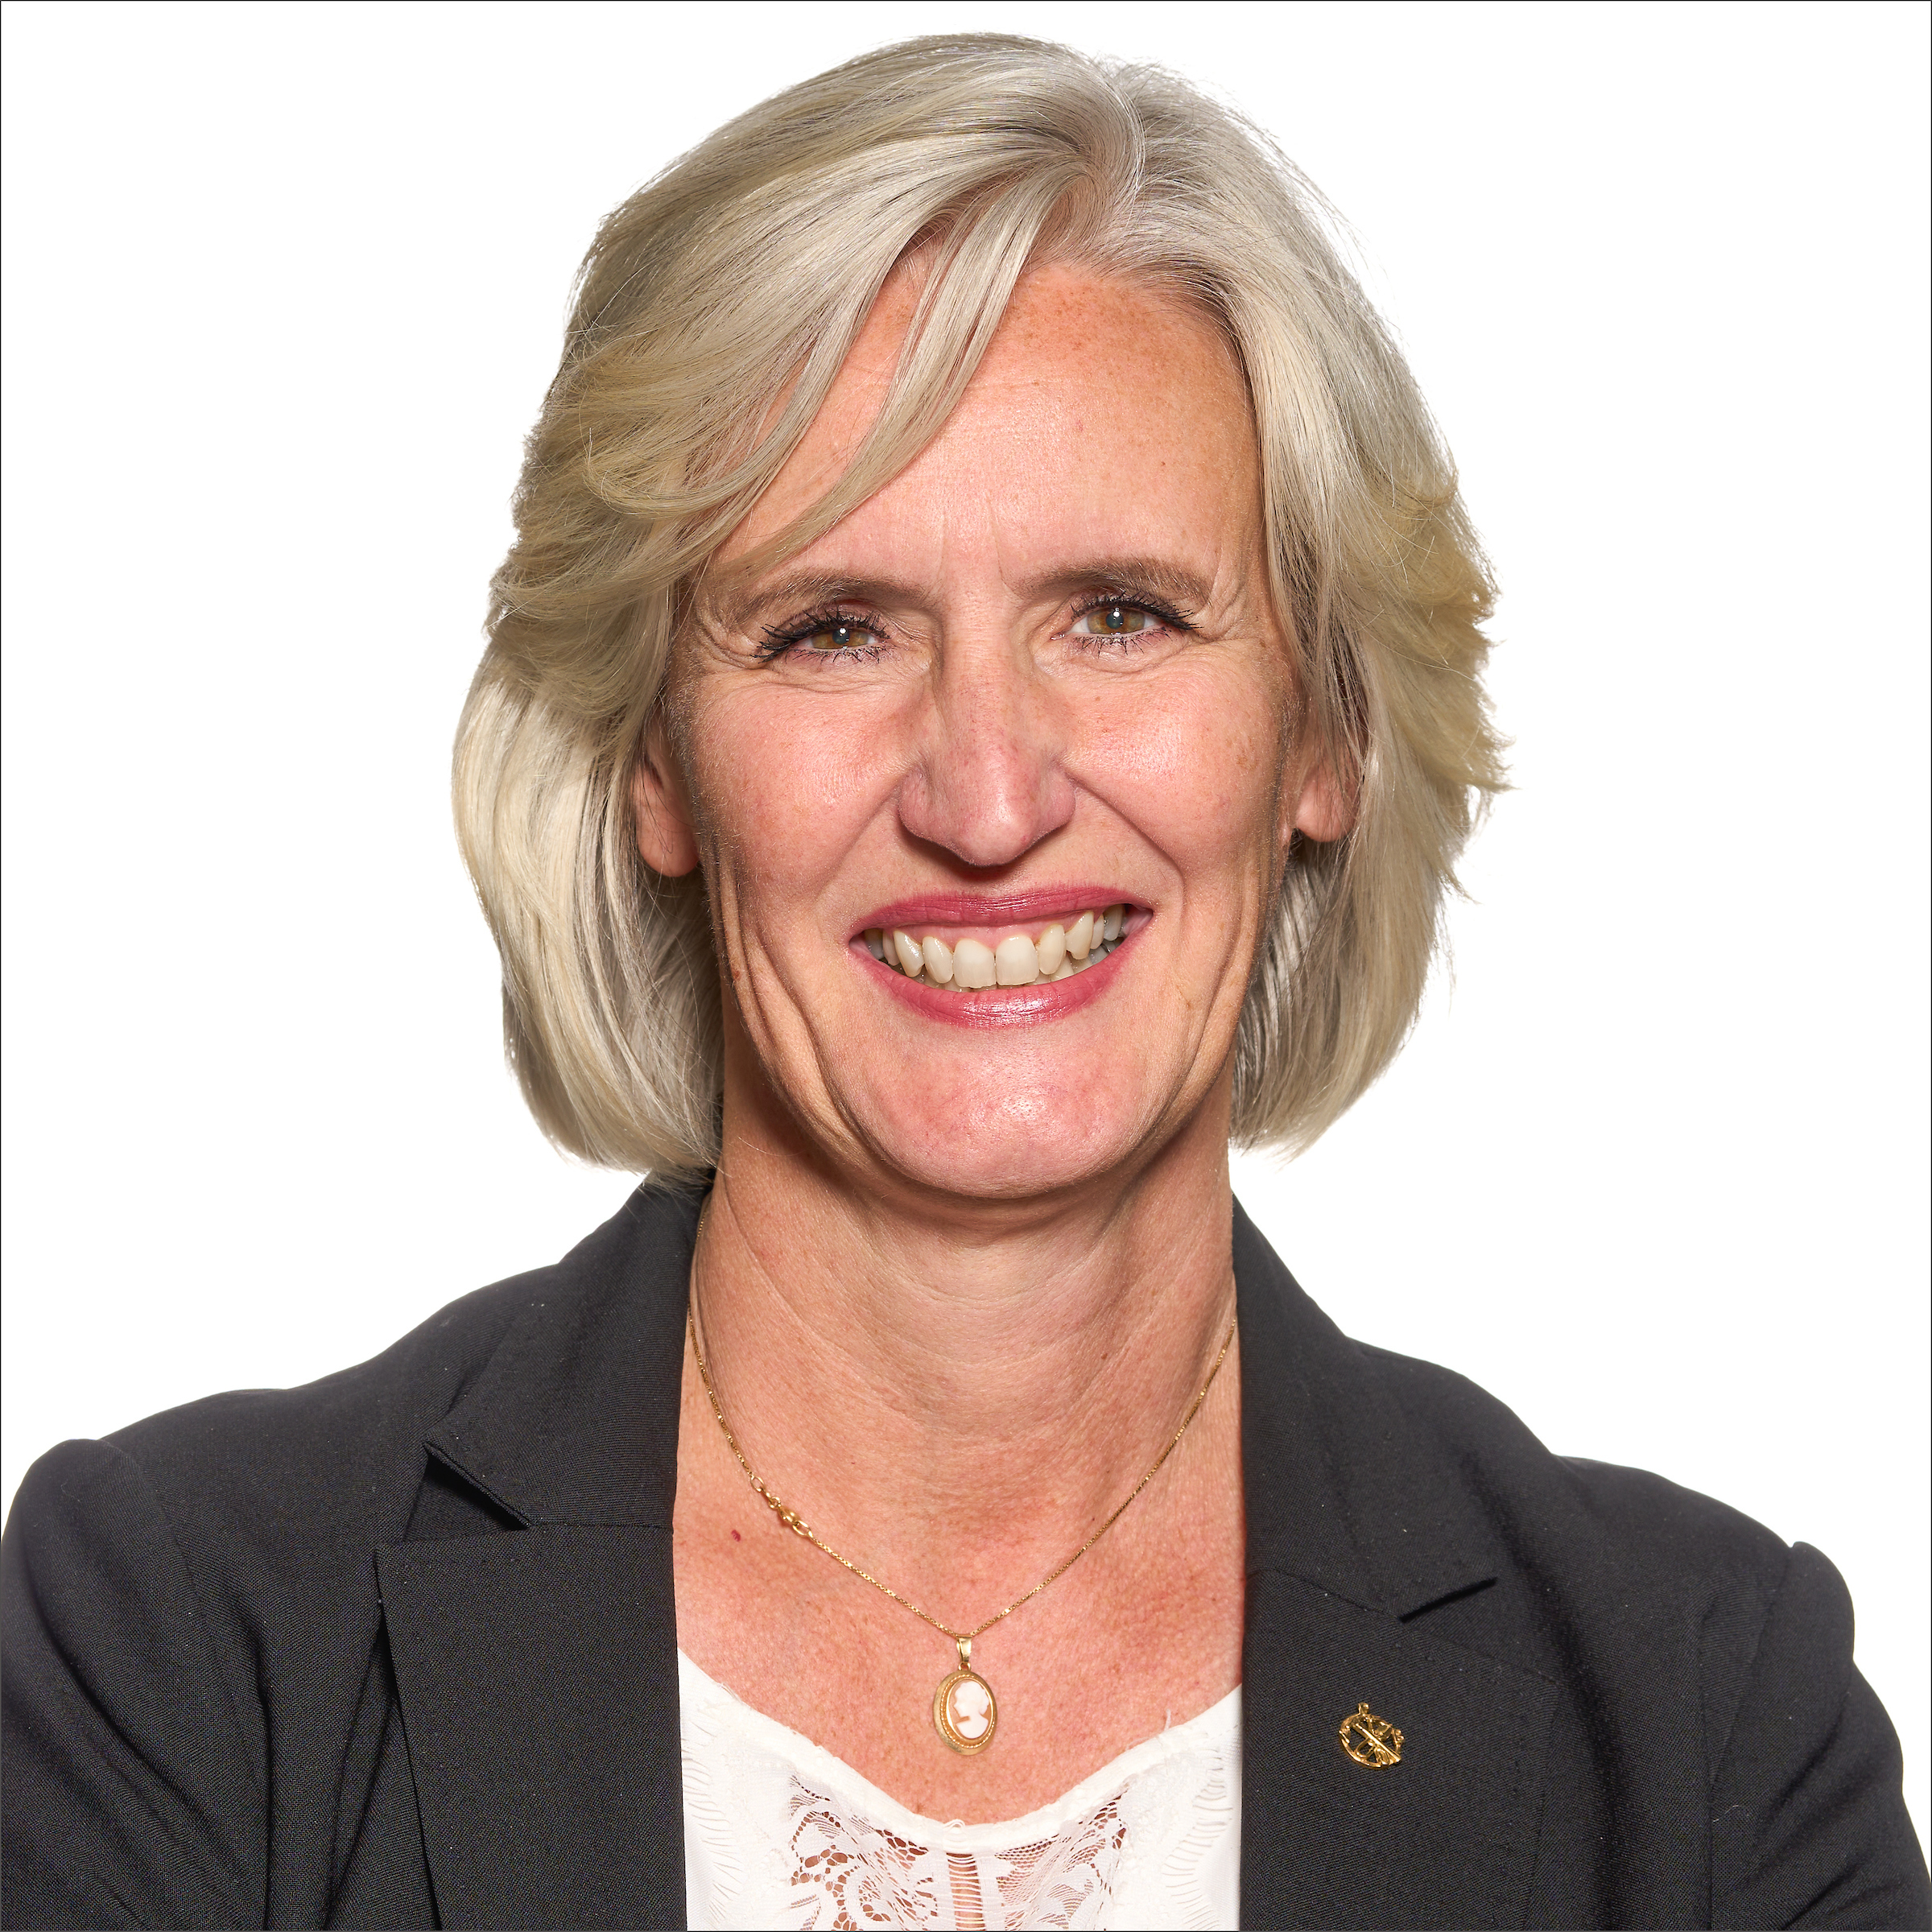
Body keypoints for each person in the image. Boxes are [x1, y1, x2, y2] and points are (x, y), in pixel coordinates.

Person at [2, 33, 1926, 1932]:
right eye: (835, 629)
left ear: (1327, 731)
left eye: (1122, 616)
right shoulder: (180, 1643)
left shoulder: (1705, 1724)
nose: (989, 801)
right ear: (653, 759)